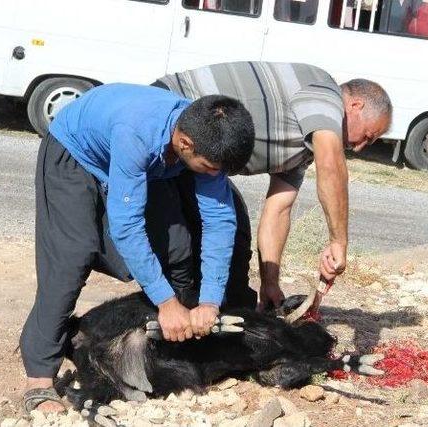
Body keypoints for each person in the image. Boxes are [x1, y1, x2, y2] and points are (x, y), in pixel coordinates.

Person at [19, 83, 254, 413]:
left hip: (147, 164)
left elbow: (219, 220)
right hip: (77, 154)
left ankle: (172, 343)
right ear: (185, 144)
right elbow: (127, 226)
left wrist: (210, 300)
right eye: (212, 169)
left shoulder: (204, 135)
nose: (215, 176)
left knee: (177, 247)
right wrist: (165, 301)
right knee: (71, 258)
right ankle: (39, 379)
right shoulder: (137, 131)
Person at [153, 62, 392, 311]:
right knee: (183, 250)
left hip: (199, 164)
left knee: (233, 238)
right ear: (355, 106)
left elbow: (278, 209)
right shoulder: (325, 92)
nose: (361, 147)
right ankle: (181, 321)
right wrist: (338, 242)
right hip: (168, 123)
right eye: (367, 136)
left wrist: (270, 283)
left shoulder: (303, 146)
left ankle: (224, 317)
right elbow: (331, 164)